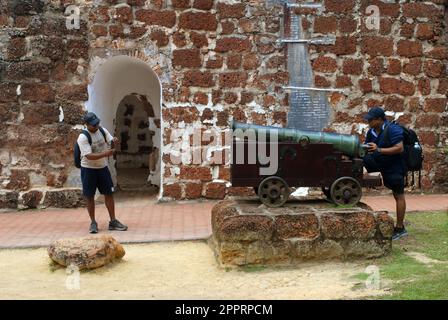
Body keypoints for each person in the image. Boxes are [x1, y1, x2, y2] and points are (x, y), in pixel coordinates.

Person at [77, 112, 128, 234]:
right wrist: (106, 154)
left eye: (97, 123)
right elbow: (89, 156)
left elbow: (112, 142)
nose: (96, 126)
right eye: (93, 125)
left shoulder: (102, 130)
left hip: (102, 167)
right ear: (87, 125)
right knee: (89, 196)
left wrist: (115, 141)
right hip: (88, 169)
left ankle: (113, 221)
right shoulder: (83, 137)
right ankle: (93, 222)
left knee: (109, 193)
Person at [363, 107, 408, 240]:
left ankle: (400, 228)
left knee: (398, 194)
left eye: (370, 120)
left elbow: (399, 148)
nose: (368, 122)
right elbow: (369, 147)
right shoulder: (371, 132)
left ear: (379, 119)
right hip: (382, 164)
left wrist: (379, 149)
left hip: (395, 167)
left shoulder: (393, 129)